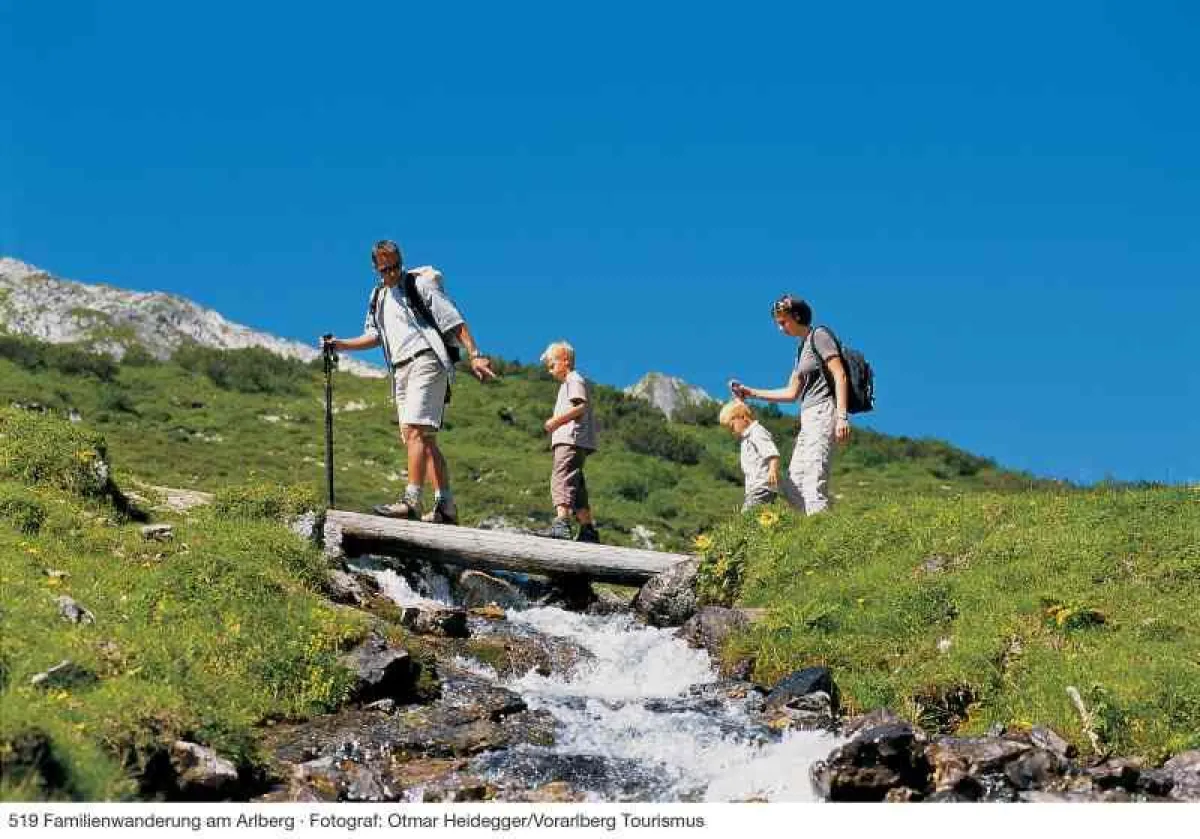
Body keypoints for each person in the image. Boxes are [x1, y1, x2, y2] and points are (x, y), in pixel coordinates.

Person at [323, 240, 496, 523]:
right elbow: (374, 336)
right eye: (384, 269)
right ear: (376, 268)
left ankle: (411, 501)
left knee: (415, 431)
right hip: (400, 370)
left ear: (400, 262)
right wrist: (340, 344)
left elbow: (454, 320)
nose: (390, 273)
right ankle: (446, 506)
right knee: (420, 439)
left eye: (394, 267)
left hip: (426, 359)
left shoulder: (418, 284)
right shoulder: (377, 297)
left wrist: (476, 354)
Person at [729, 295, 851, 515]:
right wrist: (750, 392)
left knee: (813, 482)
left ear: (797, 316)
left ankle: (822, 536)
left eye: (783, 322)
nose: (780, 328)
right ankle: (816, 528)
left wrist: (842, 417)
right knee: (794, 484)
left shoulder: (819, 336)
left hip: (823, 412)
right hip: (808, 418)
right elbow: (791, 392)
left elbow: (839, 374)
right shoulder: (801, 349)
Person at [540, 341, 599, 542]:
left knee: (562, 477)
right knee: (576, 485)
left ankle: (562, 523)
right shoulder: (572, 382)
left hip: (570, 439)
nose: (550, 371)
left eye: (552, 365)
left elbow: (580, 407)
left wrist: (555, 421)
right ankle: (587, 528)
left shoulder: (573, 380)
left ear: (565, 360)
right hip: (575, 441)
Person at [718, 399, 801, 512]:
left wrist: (772, 470)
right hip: (755, 489)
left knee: (747, 518)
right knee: (760, 517)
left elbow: (773, 453)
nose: (732, 431)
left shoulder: (756, 432)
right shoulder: (747, 436)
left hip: (761, 487)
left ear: (742, 417)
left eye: (732, 427)